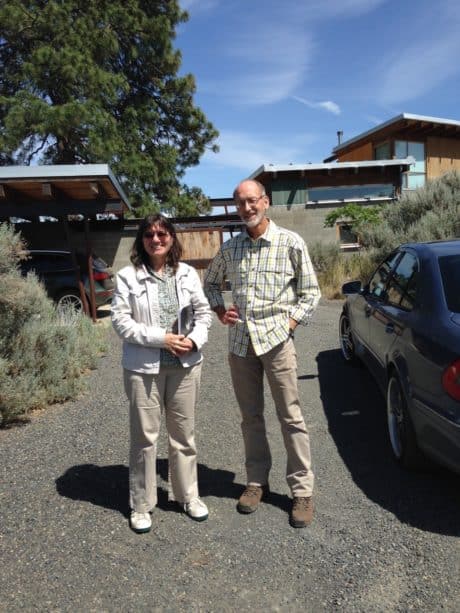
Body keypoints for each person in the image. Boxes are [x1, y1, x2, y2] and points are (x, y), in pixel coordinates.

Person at [204, 179, 321, 528]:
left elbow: (311, 292)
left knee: (291, 417)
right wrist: (219, 310)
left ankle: (301, 490)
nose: (247, 208)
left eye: (252, 201)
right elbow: (210, 282)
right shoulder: (230, 249)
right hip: (240, 345)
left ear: (265, 202)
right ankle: (256, 481)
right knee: (250, 417)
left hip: (278, 342)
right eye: (240, 203)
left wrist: (290, 325)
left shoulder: (290, 242)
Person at [111, 214, 212, 533]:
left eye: (163, 233)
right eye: (150, 234)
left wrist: (194, 340)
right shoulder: (127, 277)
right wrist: (162, 339)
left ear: (172, 238)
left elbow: (203, 313)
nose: (156, 239)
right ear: (141, 241)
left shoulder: (187, 274)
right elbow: (121, 322)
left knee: (183, 436)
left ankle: (188, 495)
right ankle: (141, 504)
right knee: (144, 438)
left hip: (185, 367)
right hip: (144, 369)